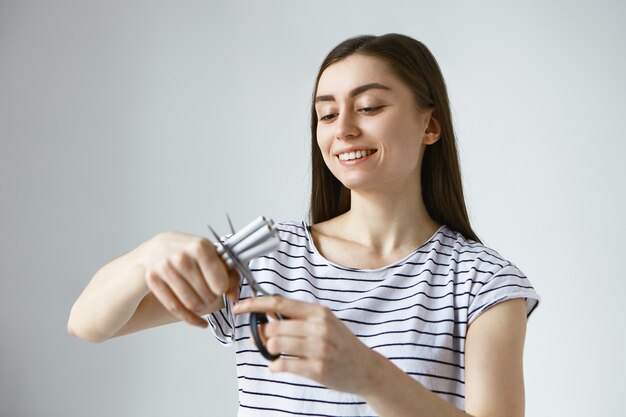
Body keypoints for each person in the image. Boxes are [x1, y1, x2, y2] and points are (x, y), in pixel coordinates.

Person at [68, 33, 540, 417]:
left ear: (429, 125)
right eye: (327, 114)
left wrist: (369, 376)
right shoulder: (265, 256)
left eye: (370, 107)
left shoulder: (483, 281)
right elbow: (89, 324)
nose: (343, 129)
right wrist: (150, 254)